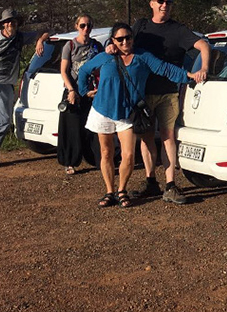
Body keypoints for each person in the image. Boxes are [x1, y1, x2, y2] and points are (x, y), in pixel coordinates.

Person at [78, 22, 208, 208]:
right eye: (120, 39)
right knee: (106, 153)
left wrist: (190, 75)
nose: (124, 42)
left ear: (133, 38)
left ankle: (122, 190)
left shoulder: (142, 57)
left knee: (128, 155)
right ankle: (109, 191)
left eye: (128, 38)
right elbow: (84, 70)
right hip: (103, 111)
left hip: (127, 113)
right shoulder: (106, 57)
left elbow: (165, 68)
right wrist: (85, 91)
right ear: (113, 40)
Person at [128, 0, 211, 205]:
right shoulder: (141, 27)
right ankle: (150, 181)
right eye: (161, 1)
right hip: (143, 93)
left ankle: (171, 184)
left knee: (168, 137)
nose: (165, 5)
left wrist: (204, 67)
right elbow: (123, 43)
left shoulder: (179, 30)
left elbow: (203, 45)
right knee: (146, 138)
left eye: (169, 2)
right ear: (152, 4)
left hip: (168, 92)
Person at [0, 8, 50, 169]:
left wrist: (40, 41)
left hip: (6, 84)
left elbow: (46, 31)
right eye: (7, 21)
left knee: (4, 121)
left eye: (13, 21)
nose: (10, 23)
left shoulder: (20, 38)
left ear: (17, 23)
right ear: (3, 24)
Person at [57, 14, 103, 175]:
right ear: (76, 26)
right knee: (72, 128)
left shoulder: (96, 46)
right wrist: (71, 90)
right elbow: (64, 71)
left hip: (92, 92)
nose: (86, 29)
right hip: (74, 92)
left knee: (95, 128)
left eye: (89, 25)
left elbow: (102, 67)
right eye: (82, 25)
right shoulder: (69, 46)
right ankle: (70, 162)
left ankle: (99, 160)